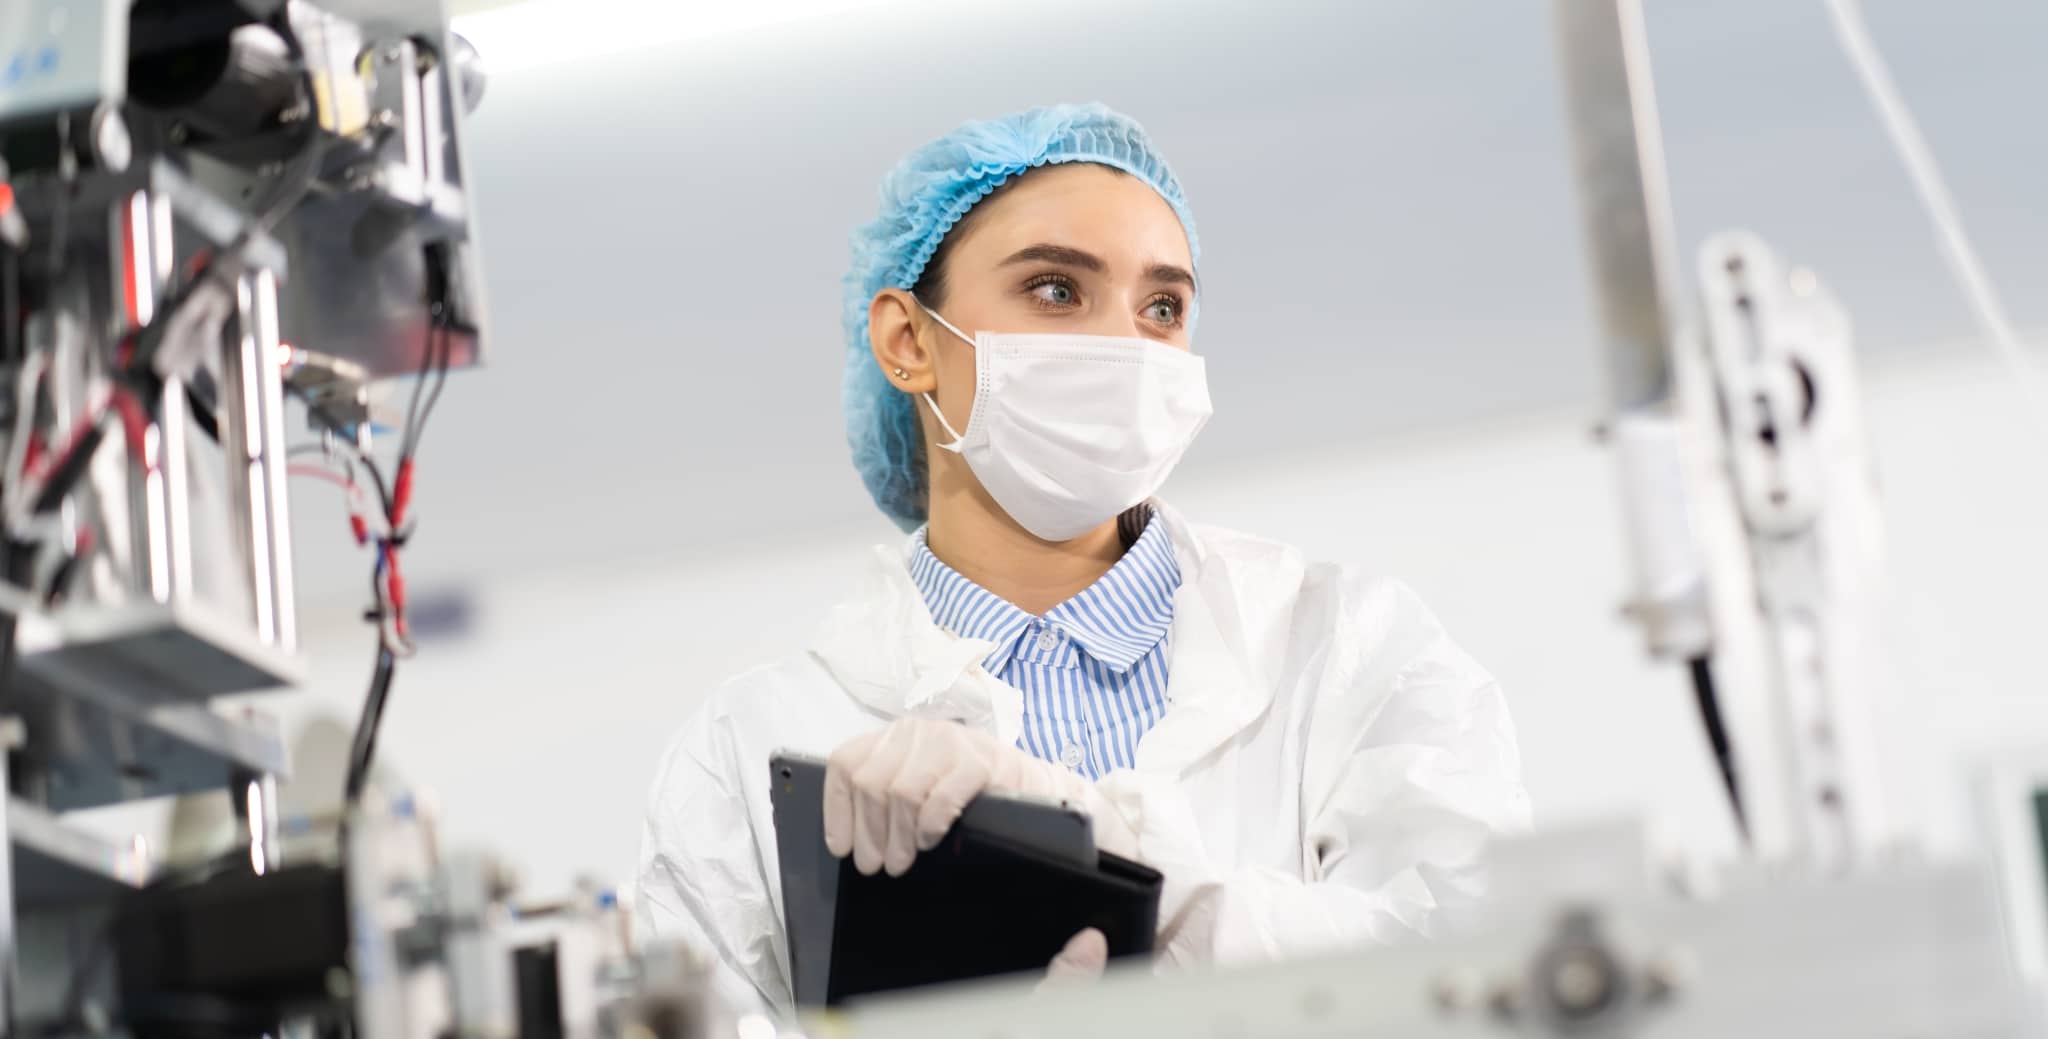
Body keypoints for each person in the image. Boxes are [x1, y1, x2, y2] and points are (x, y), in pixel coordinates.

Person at [634, 102, 1530, 1014]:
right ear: (909, 341)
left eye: (1162, 307)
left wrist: (1129, 873)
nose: (1124, 346)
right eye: (1057, 289)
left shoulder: (1351, 652)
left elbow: (1475, 984)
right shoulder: (751, 744)